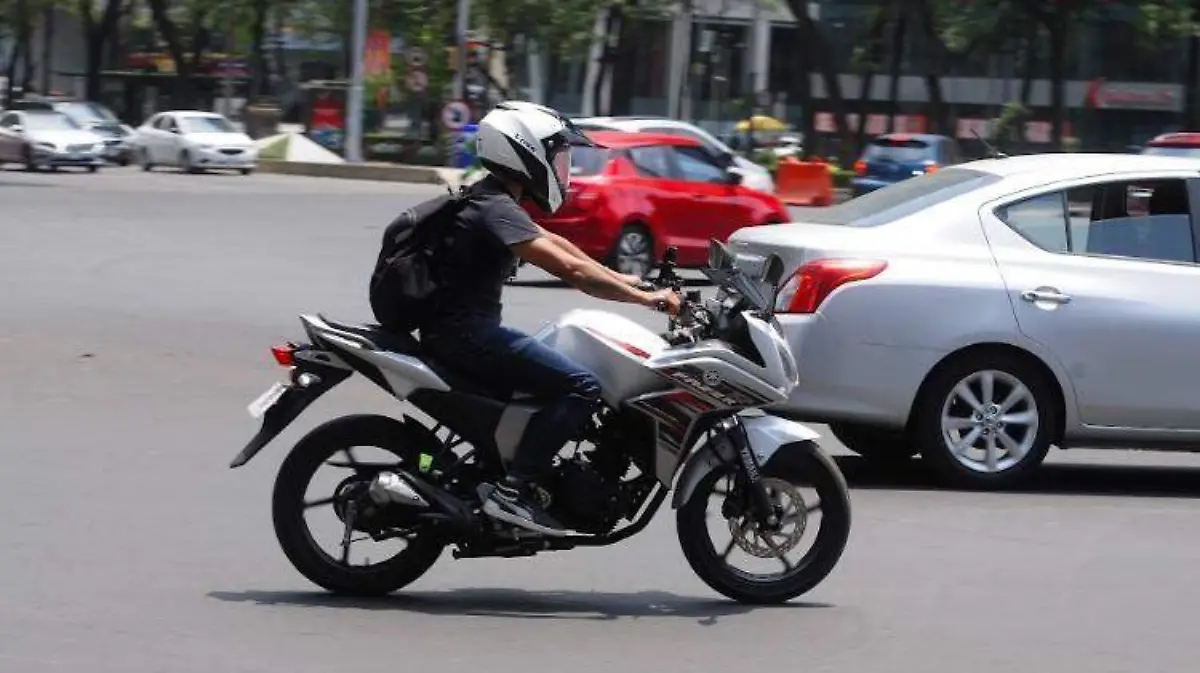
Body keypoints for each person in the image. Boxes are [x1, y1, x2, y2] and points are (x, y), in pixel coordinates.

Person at [418, 101, 680, 537]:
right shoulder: (494, 208)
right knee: (582, 386)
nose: (562, 168)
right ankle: (513, 491)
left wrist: (631, 281)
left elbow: (562, 247)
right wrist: (647, 300)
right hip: (466, 337)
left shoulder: (494, 200)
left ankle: (520, 472)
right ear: (523, 152)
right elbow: (573, 271)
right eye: (556, 156)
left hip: (461, 333)